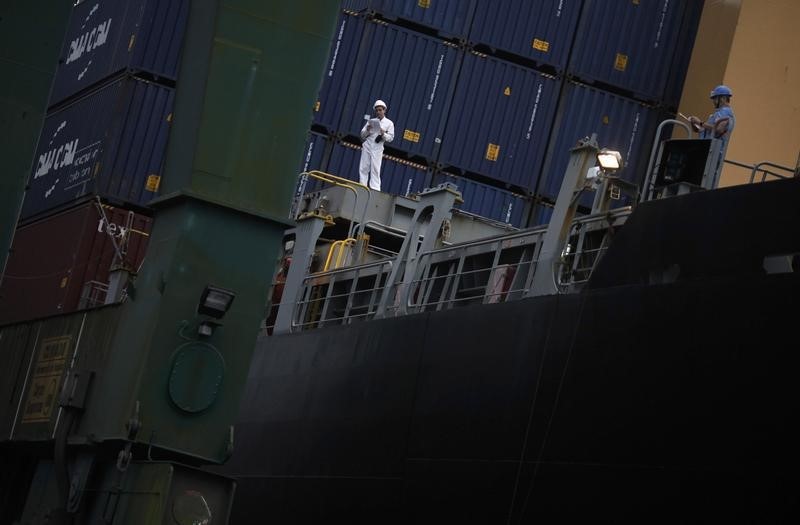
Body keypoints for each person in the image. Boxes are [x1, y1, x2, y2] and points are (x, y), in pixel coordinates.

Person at [689, 85, 735, 186]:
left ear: (722, 98)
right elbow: (702, 130)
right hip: (705, 150)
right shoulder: (716, 115)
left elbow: (718, 129)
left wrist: (700, 122)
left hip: (713, 152)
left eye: (715, 98)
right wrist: (694, 123)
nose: (713, 101)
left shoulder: (726, 113)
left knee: (706, 181)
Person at [359, 99, 394, 191]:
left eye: (380, 110)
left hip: (378, 147)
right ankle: (362, 186)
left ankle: (375, 189)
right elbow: (362, 135)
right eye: (377, 110)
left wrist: (383, 134)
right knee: (363, 167)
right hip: (368, 145)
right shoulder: (371, 121)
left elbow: (390, 138)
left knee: (375, 169)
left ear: (384, 110)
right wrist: (367, 129)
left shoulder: (389, 123)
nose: (378, 112)